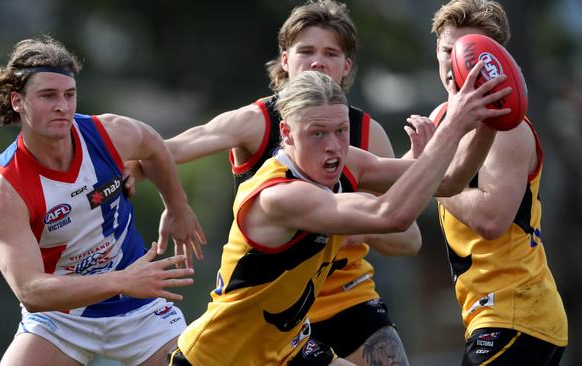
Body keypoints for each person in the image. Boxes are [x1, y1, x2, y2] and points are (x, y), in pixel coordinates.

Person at [167, 67, 510, 365]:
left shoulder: (347, 163)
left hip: (286, 348)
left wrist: (489, 121)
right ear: (286, 134)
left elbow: (449, 181)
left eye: (341, 131)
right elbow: (391, 215)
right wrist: (453, 126)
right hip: (222, 357)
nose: (333, 145)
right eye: (317, 133)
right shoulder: (278, 196)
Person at [157, 1, 422, 363]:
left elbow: (407, 237)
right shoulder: (256, 122)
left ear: (347, 66)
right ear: (285, 59)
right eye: (306, 51)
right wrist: (173, 201)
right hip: (273, 306)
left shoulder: (363, 134)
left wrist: (352, 221)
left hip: (346, 295)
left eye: (330, 53)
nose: (317, 62)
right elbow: (164, 150)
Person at [0, 36, 206, 366]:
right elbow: (31, 291)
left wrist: (176, 205)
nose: (63, 106)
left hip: (140, 310)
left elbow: (153, 144)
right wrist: (122, 281)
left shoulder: (107, 134)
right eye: (48, 95)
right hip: (62, 319)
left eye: (69, 95)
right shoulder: (4, 190)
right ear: (17, 101)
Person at [411, 1, 568, 364]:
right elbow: (401, 179)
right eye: (450, 50)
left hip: (518, 315)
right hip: (486, 316)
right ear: (437, 49)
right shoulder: (441, 119)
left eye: (472, 54)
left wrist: (427, 173)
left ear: (497, 60)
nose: (458, 64)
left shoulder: (506, 128)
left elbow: (491, 219)